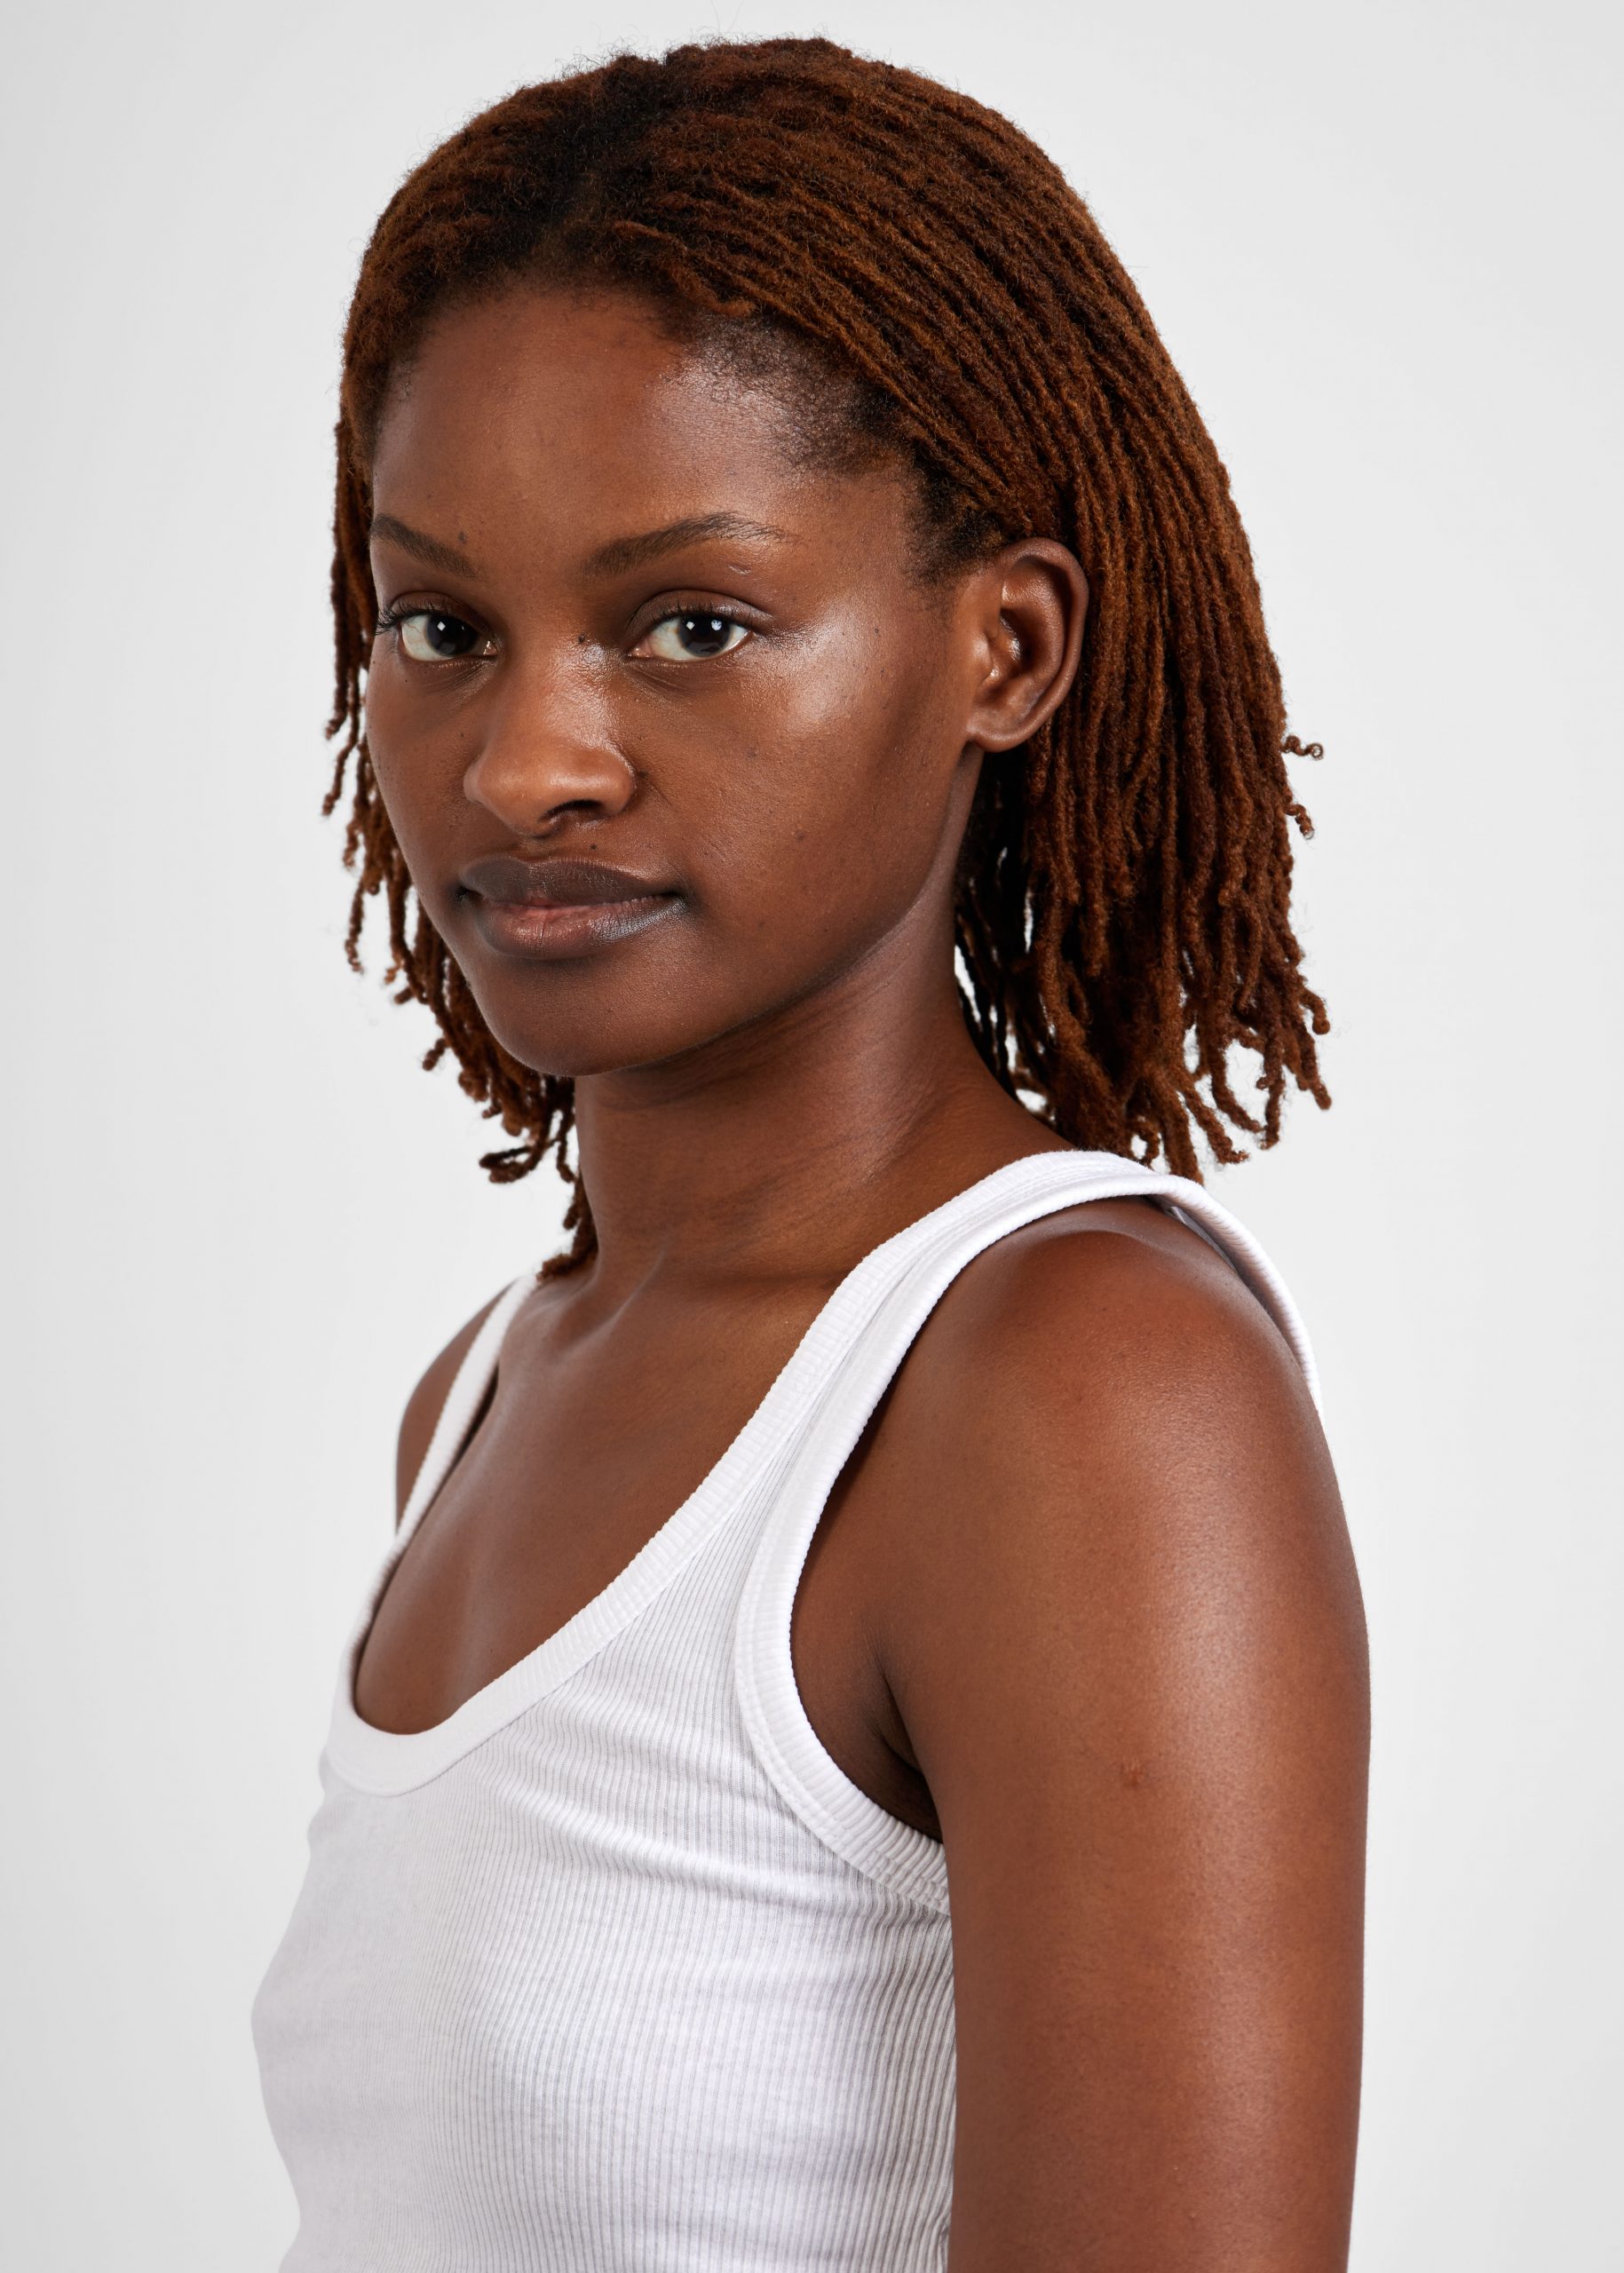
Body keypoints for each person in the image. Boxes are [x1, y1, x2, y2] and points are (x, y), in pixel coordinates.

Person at [251, 36, 1368, 2272]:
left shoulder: (1077, 1387)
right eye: (442, 626)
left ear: (1005, 649)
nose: (526, 764)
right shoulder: (483, 1394)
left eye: (693, 623)